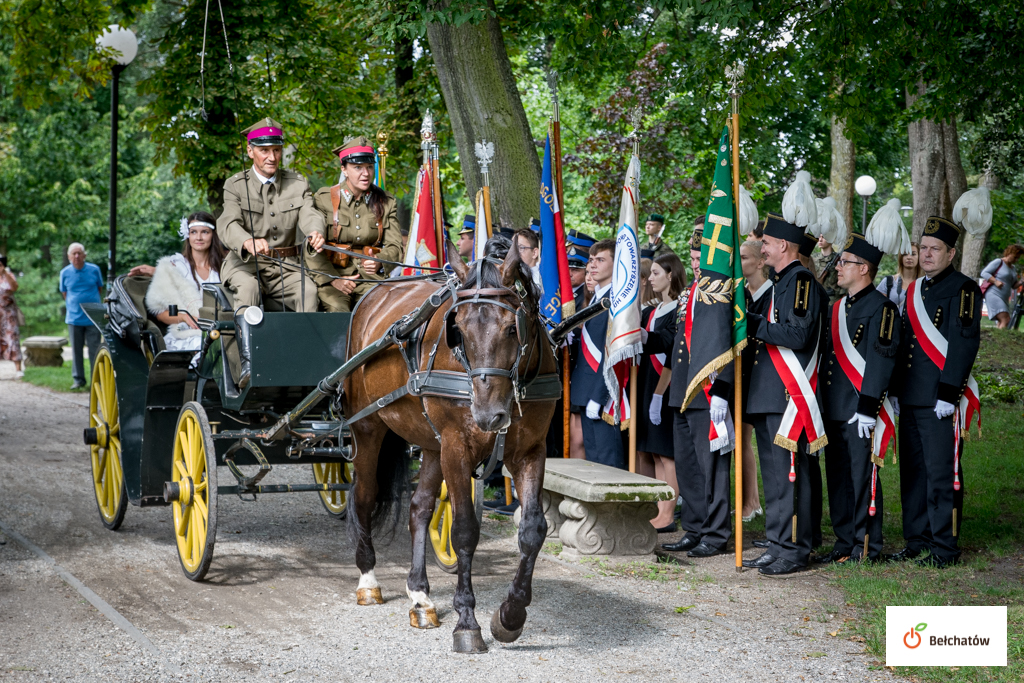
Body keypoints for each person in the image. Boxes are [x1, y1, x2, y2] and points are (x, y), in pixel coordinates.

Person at [888, 216, 982, 568]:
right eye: (923, 248)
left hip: (940, 400)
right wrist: (896, 389)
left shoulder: (964, 288)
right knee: (912, 472)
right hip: (911, 396)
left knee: (941, 473)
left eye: (934, 249)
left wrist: (949, 393)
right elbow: (904, 344)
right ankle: (917, 539)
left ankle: (945, 546)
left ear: (951, 253)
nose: (926, 255)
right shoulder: (914, 290)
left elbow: (964, 342)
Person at [742, 214, 826, 575]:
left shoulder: (801, 281)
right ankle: (778, 543)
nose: (761, 248)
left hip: (787, 396)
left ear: (783, 246)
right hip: (769, 395)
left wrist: (753, 322)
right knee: (775, 478)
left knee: (790, 476)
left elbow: (797, 335)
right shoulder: (781, 282)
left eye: (766, 243)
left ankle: (793, 550)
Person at [218, 118, 326, 387]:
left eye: (276, 149)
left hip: (285, 265)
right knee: (248, 288)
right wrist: (247, 240)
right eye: (264, 150)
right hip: (244, 263)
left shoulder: (297, 182)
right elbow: (227, 222)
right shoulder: (235, 185)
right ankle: (248, 366)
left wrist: (315, 231)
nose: (272, 156)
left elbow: (309, 212)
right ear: (250, 150)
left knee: (309, 292)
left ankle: (305, 366)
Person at [819, 232, 904, 564]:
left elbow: (882, 360)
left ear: (864, 268)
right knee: (839, 477)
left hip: (859, 409)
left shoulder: (882, 309)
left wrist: (868, 408)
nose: (839, 267)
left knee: (861, 476)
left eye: (845, 262)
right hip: (834, 405)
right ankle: (844, 541)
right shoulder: (839, 307)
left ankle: (866, 545)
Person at [659, 226, 734, 557]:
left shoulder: (722, 293)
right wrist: (643, 338)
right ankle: (695, 526)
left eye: (701, 259)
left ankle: (716, 534)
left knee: (712, 468)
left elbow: (729, 342)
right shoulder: (689, 292)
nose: (697, 266)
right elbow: (676, 339)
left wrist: (724, 388)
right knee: (687, 465)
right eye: (692, 259)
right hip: (682, 390)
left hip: (707, 392)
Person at [307, 135, 402, 313]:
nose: (365, 174)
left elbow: (395, 246)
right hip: (334, 277)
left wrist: (380, 262)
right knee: (338, 311)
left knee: (380, 313)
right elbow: (312, 247)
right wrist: (333, 279)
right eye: (357, 167)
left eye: (368, 167)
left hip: (372, 280)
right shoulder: (324, 198)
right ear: (344, 169)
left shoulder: (386, 201)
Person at [636, 253, 685, 531]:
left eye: (655, 273)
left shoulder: (680, 308)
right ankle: (657, 507)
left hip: (665, 386)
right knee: (653, 452)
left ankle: (668, 512)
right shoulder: (650, 311)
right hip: (646, 383)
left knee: (667, 453)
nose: (650, 278)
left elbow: (669, 342)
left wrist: (645, 336)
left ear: (670, 275)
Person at [569, 239, 624, 468]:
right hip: (586, 391)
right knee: (594, 463)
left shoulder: (616, 301)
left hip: (602, 396)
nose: (592, 266)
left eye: (600, 260)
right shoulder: (597, 300)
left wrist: (599, 397)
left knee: (607, 464)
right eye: (591, 260)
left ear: (616, 263)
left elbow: (611, 353)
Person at [144, 213, 226, 351]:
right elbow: (159, 312)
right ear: (188, 235)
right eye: (194, 232)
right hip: (187, 333)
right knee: (201, 346)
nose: (198, 237)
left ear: (213, 235)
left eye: (204, 232)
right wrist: (184, 317)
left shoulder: (224, 267)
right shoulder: (174, 267)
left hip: (221, 329)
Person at [738, 238, 768, 522]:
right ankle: (748, 499)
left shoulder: (771, 293)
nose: (740, 261)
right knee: (740, 438)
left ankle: (753, 501)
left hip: (766, 377)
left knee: (751, 440)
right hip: (743, 372)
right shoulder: (741, 293)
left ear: (761, 262)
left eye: (745, 257)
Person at [59, 243, 104, 389]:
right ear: (69, 256)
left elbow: (99, 288)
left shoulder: (94, 269)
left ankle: (95, 379)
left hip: (93, 317)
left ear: (84, 255)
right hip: (74, 318)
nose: (76, 256)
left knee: (95, 349)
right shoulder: (64, 273)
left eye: (79, 253)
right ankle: (78, 380)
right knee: (76, 350)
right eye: (74, 254)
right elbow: (64, 293)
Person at [979, 244, 1023, 329]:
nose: (1016, 260)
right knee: (1005, 319)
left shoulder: (1013, 268)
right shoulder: (999, 262)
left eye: (1018, 258)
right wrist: (995, 281)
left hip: (1004, 298)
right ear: (1009, 253)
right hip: (993, 294)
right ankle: (1002, 340)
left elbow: (1013, 286)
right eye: (1015, 257)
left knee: (1002, 321)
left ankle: (997, 340)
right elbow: (984, 273)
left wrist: (1021, 281)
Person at [877, 242, 922, 310]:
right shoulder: (888, 282)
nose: (909, 257)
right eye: (905, 254)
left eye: (913, 254)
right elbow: (878, 307)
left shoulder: (924, 283)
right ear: (901, 257)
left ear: (919, 257)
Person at [0, 255, 24, 377]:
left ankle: (18, 369)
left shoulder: (8, 276)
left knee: (13, 339)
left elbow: (14, 287)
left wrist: (5, 273)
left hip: (9, 314)